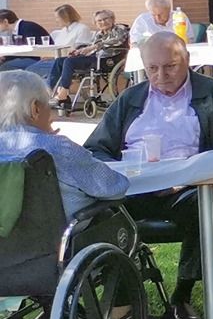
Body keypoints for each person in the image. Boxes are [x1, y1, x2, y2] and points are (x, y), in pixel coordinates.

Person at [85, 31, 213, 319]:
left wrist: (187, 177)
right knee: (97, 213)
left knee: (204, 204)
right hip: (134, 190)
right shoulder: (131, 99)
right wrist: (121, 172)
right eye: (152, 69)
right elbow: (96, 148)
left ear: (186, 61)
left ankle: (182, 296)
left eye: (170, 66)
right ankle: (123, 305)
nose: (160, 75)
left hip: (190, 189)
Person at [0, 71, 128, 216]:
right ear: (35, 108)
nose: (52, 114)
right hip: (71, 234)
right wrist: (50, 141)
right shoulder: (57, 148)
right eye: (49, 105)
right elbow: (116, 187)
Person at [51, 10, 128, 110]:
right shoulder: (99, 34)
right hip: (95, 58)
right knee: (60, 61)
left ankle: (63, 93)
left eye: (105, 19)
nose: (103, 22)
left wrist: (94, 47)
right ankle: (56, 91)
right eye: (99, 21)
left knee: (69, 62)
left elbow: (117, 40)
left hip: (108, 60)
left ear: (112, 19)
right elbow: (90, 47)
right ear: (95, 23)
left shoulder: (120, 29)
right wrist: (79, 51)